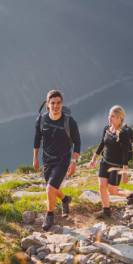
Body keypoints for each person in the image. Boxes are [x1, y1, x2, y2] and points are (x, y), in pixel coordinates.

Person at [33, 90, 81, 231]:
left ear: (62, 104)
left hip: (63, 159)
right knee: (53, 188)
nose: (56, 106)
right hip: (47, 159)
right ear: (47, 104)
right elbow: (37, 140)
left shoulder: (69, 121)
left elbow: (77, 142)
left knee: (49, 188)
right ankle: (65, 199)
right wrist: (35, 158)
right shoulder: (41, 120)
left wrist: (73, 162)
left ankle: (49, 216)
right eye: (52, 103)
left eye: (58, 103)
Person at [87, 105, 133, 218]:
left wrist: (125, 173)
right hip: (104, 163)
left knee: (112, 191)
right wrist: (93, 158)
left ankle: (130, 194)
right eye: (109, 115)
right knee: (101, 186)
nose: (110, 118)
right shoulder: (106, 128)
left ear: (120, 118)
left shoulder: (123, 134)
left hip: (116, 166)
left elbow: (125, 155)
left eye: (113, 116)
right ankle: (106, 211)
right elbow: (102, 144)